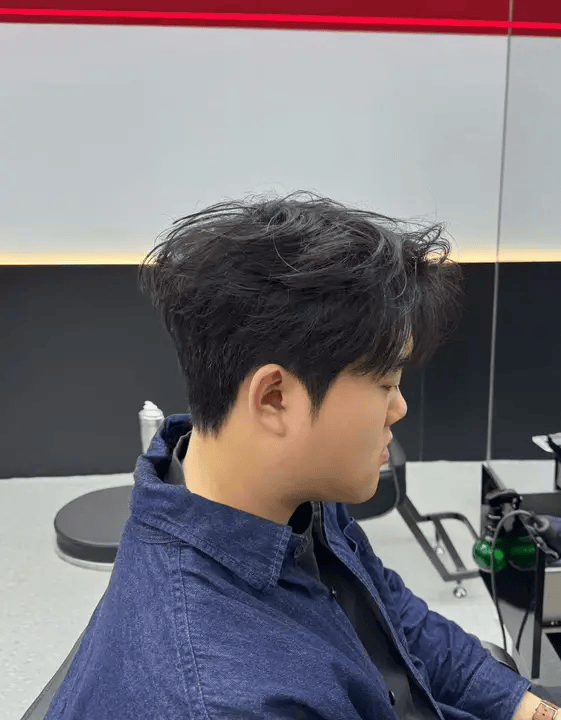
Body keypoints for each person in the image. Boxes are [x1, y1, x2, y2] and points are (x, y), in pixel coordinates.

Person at [45, 190, 547, 719]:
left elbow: (393, 615)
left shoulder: (287, 490)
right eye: (386, 382)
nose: (399, 408)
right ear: (274, 399)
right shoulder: (225, 700)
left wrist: (529, 709)